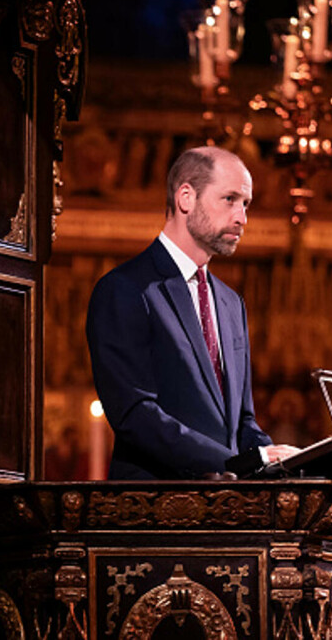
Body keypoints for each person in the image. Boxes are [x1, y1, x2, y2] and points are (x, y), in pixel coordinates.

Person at [86, 146, 298, 480]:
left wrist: (282, 460)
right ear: (186, 196)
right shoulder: (126, 288)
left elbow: (242, 422)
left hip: (230, 516)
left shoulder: (231, 304)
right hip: (155, 512)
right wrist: (236, 463)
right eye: (230, 199)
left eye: (246, 204)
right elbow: (135, 414)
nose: (242, 217)